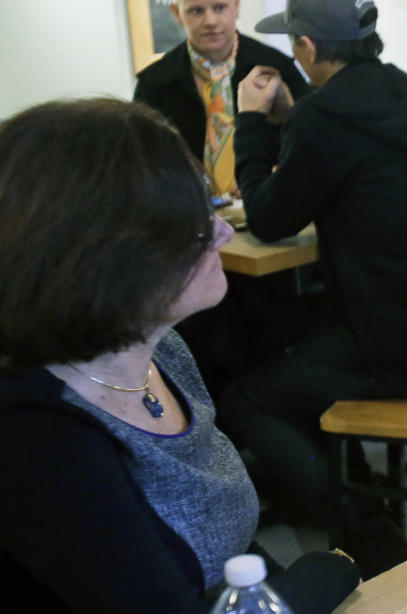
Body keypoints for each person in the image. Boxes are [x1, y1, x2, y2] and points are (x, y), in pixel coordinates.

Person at [0, 99, 358, 614]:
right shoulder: (36, 434)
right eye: (193, 226)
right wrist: (332, 568)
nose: (223, 232)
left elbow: (226, 555)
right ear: (107, 259)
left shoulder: (160, 347)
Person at [218, 0, 407, 577]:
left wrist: (254, 120)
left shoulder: (322, 120)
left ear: (306, 48)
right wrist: (296, 113)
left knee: (245, 398)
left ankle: (366, 531)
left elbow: (269, 217)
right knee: (300, 354)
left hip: (392, 348)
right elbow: (351, 144)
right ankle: (360, 504)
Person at [133, 0, 314, 403]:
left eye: (219, 7)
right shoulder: (154, 84)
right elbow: (141, 168)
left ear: (236, 6)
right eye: (197, 11)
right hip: (195, 239)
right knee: (211, 340)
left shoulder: (274, 66)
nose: (211, 20)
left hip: (265, 235)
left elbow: (312, 141)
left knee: (274, 329)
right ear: (177, 14)